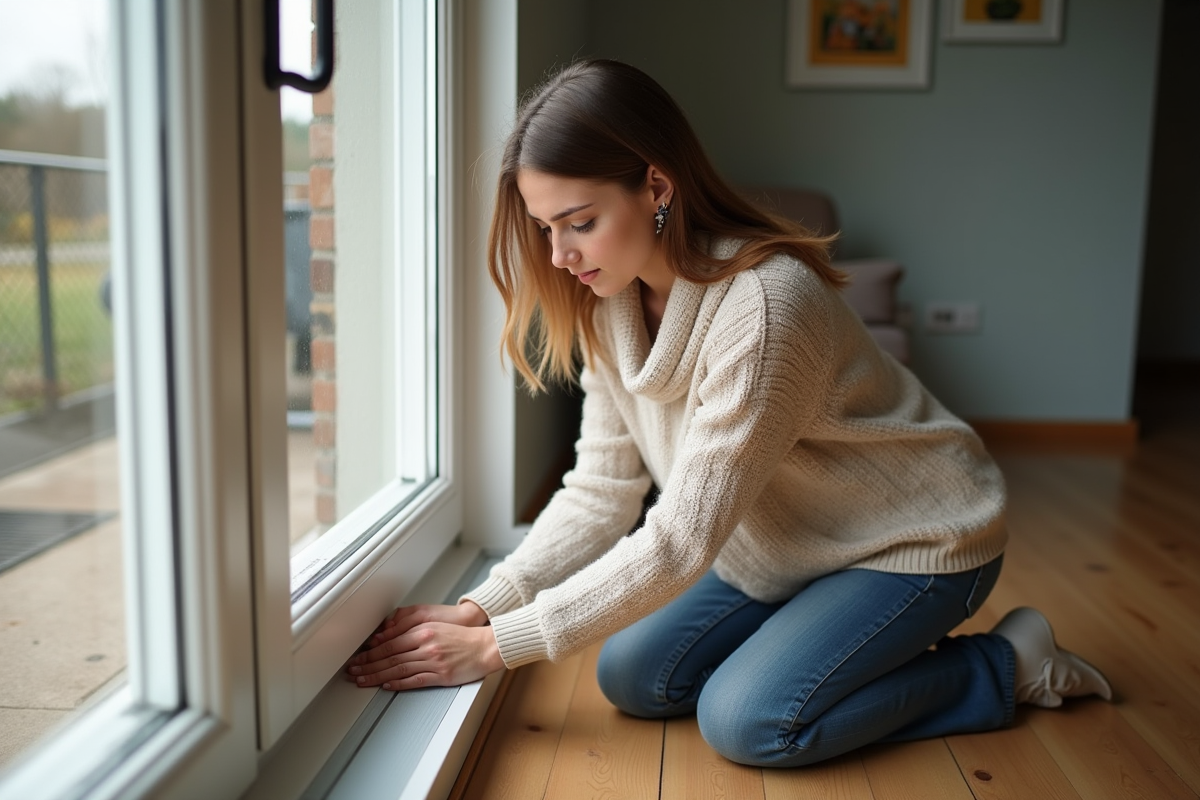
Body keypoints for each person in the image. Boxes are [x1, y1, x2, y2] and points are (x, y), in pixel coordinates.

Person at [345, 59, 1112, 767]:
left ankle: (1006, 666)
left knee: (750, 722)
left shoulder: (767, 307)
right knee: (633, 677)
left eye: (578, 221)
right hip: (785, 546)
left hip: (914, 539)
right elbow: (601, 491)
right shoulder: (608, 303)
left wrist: (498, 649)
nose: (559, 256)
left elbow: (679, 539)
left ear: (657, 186)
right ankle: (836, 636)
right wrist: (486, 607)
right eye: (546, 228)